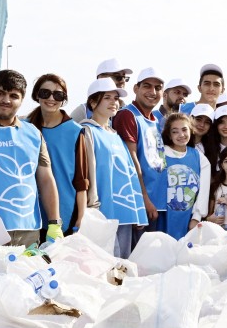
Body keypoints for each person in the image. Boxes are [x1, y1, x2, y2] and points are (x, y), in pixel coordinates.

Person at [0, 70, 62, 256]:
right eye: (0, 93)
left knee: (23, 283)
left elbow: (46, 179)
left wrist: (55, 223)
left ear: (22, 100)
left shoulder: (34, 133)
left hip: (27, 230)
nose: (6, 100)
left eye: (13, 96)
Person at [81, 78, 148, 258]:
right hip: (103, 211)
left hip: (124, 210)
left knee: (122, 266)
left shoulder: (115, 135)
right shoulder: (87, 131)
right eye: (107, 98)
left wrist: (137, 209)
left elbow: (129, 174)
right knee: (105, 262)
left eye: (116, 98)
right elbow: (89, 170)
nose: (114, 102)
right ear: (93, 102)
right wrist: (92, 207)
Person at [25, 73, 90, 237]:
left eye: (58, 94)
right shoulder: (24, 128)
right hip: (29, 211)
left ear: (64, 99)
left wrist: (81, 216)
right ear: (36, 95)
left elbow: (80, 179)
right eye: (45, 92)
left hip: (64, 213)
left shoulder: (75, 131)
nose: (51, 98)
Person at [112, 68, 167, 239]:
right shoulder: (127, 115)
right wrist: (143, 199)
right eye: (147, 86)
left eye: (158, 88)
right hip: (142, 204)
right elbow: (131, 159)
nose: (153, 92)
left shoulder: (156, 120)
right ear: (136, 89)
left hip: (159, 203)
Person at [161, 112, 210, 240]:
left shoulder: (199, 157)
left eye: (184, 129)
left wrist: (196, 217)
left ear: (191, 131)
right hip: (163, 217)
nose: (181, 135)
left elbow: (203, 190)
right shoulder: (160, 153)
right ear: (169, 135)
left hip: (187, 218)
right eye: (175, 131)